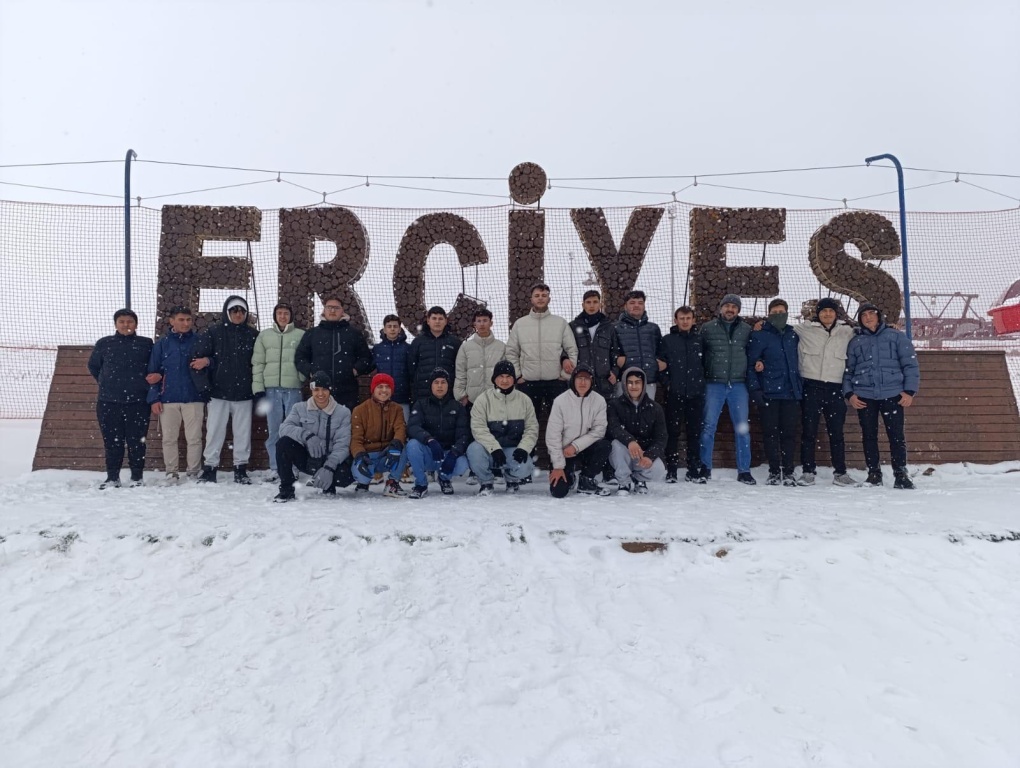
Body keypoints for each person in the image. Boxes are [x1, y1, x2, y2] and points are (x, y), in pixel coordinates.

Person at [843, 303, 920, 489]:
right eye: (864, 315)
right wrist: (850, 394)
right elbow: (848, 370)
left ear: (879, 316)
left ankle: (900, 474)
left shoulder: (896, 337)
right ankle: (874, 473)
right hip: (864, 396)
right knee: (869, 436)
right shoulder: (855, 342)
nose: (868, 317)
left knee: (896, 436)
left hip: (892, 394)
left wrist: (909, 391)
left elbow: (910, 365)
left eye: (872, 313)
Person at [505, 283, 578, 461]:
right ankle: (526, 463)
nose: (540, 298)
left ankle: (559, 463)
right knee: (528, 425)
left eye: (544, 295)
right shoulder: (520, 324)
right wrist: (518, 376)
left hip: (555, 382)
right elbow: (511, 351)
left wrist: (566, 376)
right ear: (531, 298)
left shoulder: (559, 323)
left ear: (549, 298)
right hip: (528, 383)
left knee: (559, 424)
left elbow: (572, 350)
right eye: (537, 295)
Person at [191, 295, 259, 484]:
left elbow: (259, 364)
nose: (238, 314)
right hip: (218, 393)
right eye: (234, 310)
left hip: (244, 393)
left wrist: (257, 388)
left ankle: (240, 468)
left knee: (243, 432)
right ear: (227, 312)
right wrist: (204, 387)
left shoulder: (253, 335)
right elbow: (197, 361)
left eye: (242, 311)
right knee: (214, 431)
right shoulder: (213, 333)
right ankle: (210, 468)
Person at [793, 297, 857, 486]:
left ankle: (840, 473)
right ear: (817, 314)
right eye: (823, 311)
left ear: (836, 314)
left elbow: (870, 331)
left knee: (836, 433)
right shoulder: (804, 330)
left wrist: (892, 327)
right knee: (809, 432)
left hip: (835, 389)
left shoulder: (847, 332)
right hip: (811, 388)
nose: (827, 314)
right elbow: (779, 328)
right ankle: (808, 471)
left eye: (830, 311)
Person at [88, 308, 153, 489]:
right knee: (112, 442)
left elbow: (154, 367)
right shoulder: (104, 343)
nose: (126, 325)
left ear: (136, 324)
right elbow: (94, 366)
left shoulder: (146, 344)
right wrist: (106, 382)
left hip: (138, 403)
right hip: (109, 402)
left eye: (130, 322)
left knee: (137, 442)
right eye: (122, 322)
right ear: (115, 324)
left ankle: (137, 478)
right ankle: (112, 478)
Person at [699, 294, 756, 485]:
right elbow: (700, 353)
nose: (730, 309)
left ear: (738, 310)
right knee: (708, 427)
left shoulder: (746, 330)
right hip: (714, 383)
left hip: (738, 384)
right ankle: (704, 467)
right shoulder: (707, 329)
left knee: (742, 429)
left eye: (734, 306)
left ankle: (744, 470)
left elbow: (754, 352)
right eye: (727, 306)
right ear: (720, 308)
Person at [273, 371, 352, 502]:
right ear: (311, 390)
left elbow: (343, 444)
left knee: (346, 476)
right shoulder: (299, 408)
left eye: (324, 389)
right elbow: (284, 429)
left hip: (330, 461)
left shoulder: (343, 412)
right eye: (316, 390)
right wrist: (306, 436)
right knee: (283, 443)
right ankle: (286, 489)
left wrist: (329, 467)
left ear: (330, 390)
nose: (320, 394)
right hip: (308, 459)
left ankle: (329, 483)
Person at [747, 299, 802, 486]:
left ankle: (788, 471)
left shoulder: (793, 334)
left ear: (787, 313)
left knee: (789, 434)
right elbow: (751, 364)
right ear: (769, 314)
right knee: (770, 434)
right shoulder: (760, 335)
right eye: (775, 311)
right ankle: (773, 471)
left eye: (782, 311)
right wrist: (755, 389)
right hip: (769, 393)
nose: (779, 314)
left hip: (791, 393)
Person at [146, 305, 204, 482]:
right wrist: (154, 398)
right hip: (168, 399)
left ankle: (193, 472)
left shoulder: (199, 341)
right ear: (172, 321)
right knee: (169, 439)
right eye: (181, 319)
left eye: (188, 320)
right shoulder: (162, 344)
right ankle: (171, 472)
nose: (185, 323)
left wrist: (207, 362)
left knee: (194, 438)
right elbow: (152, 374)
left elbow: (211, 364)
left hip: (194, 398)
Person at [466, 360, 539, 495]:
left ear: (514, 379)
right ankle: (486, 482)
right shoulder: (483, 400)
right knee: (474, 451)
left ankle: (512, 480)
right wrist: (494, 448)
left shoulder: (524, 400)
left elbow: (532, 428)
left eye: (508, 377)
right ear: (494, 379)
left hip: (512, 449)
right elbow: (478, 428)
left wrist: (524, 448)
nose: (504, 380)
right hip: (489, 450)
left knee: (526, 465)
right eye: (501, 376)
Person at [252, 302, 305, 482]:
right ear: (275, 316)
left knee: (293, 429)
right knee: (274, 429)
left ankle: (294, 466)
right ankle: (275, 466)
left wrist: (302, 377)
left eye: (286, 313)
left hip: (293, 389)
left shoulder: (300, 335)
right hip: (271, 389)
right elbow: (258, 363)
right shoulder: (264, 336)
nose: (283, 317)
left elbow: (305, 359)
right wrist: (258, 388)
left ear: (291, 316)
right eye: (279, 313)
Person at [294, 297, 374, 411]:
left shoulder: (353, 334)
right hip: (320, 392)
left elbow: (366, 357)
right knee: (320, 426)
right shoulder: (312, 334)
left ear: (342, 311)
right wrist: (311, 372)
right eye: (329, 307)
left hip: (347, 391)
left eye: (336, 308)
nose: (332, 311)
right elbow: (300, 357)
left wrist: (354, 371)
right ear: (324, 310)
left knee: (345, 426)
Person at [656, 306, 706, 483]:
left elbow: (706, 364)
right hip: (674, 394)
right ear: (675, 320)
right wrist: (668, 385)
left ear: (693, 320)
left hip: (696, 394)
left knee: (695, 432)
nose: (685, 321)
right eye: (681, 318)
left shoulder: (700, 340)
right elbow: (660, 366)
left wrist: (701, 384)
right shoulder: (667, 340)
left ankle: (694, 469)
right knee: (672, 432)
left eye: (688, 318)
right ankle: (672, 470)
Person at [546, 364, 612, 497]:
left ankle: (586, 480)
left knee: (604, 446)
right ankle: (569, 474)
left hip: (586, 448)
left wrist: (576, 446)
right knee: (559, 492)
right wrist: (558, 466)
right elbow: (552, 435)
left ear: (592, 381)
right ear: (573, 380)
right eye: (579, 378)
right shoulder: (560, 401)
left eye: (587, 379)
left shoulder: (599, 401)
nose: (583, 382)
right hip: (564, 452)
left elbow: (599, 430)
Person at [405, 368, 471, 498]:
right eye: (436, 382)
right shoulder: (421, 404)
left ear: (448, 385)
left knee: (463, 463)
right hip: (429, 451)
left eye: (443, 382)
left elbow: (463, 434)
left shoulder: (457, 407)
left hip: (447, 454)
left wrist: (454, 453)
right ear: (431, 385)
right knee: (412, 445)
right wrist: (429, 440)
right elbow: (413, 427)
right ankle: (421, 484)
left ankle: (444, 478)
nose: (440, 386)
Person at [607, 367, 668, 493]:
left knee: (659, 469)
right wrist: (630, 441)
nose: (633, 386)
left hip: (643, 454)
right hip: (623, 453)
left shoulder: (655, 408)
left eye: (637, 382)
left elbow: (661, 437)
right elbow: (614, 428)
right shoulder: (614, 405)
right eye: (630, 382)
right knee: (616, 445)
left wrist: (650, 456)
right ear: (624, 384)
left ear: (643, 384)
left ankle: (639, 479)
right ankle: (624, 482)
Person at [349, 372, 409, 497]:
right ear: (373, 389)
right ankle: (363, 484)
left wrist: (396, 444)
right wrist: (359, 455)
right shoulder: (360, 410)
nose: (384, 390)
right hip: (368, 455)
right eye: (380, 386)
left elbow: (400, 429)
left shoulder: (397, 409)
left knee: (404, 448)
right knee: (361, 474)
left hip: (387, 454)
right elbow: (356, 438)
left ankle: (392, 483)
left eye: (387, 387)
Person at [614, 290, 665, 400]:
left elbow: (661, 351)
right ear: (625, 306)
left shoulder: (653, 328)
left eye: (640, 303)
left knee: (647, 415)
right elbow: (610, 353)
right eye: (632, 303)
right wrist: (619, 361)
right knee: (624, 414)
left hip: (648, 380)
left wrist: (658, 363)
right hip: (624, 381)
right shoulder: (615, 328)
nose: (636, 305)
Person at [570, 290, 619, 399]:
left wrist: (615, 372)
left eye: (595, 302)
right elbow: (566, 349)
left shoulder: (609, 328)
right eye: (588, 302)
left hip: (604, 384)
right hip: (580, 383)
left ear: (600, 304)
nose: (592, 305)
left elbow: (615, 352)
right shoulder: (573, 327)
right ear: (583, 305)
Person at [454, 308, 506, 408]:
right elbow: (460, 373)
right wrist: (462, 396)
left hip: (496, 400)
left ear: (491, 323)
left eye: (485, 320)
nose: (482, 324)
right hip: (472, 400)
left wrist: (504, 394)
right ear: (475, 324)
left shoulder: (501, 347)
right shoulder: (466, 347)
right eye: (479, 321)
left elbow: (506, 374)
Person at [409, 306, 461, 404]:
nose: (437, 321)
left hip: (448, 395)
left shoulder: (454, 343)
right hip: (423, 395)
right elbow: (411, 369)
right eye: (434, 318)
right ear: (428, 321)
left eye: (440, 319)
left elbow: (460, 369)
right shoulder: (418, 342)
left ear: (445, 321)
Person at [372, 314, 412, 422]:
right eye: (389, 326)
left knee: (403, 428)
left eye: (395, 326)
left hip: (403, 397)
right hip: (382, 398)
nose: (392, 329)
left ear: (400, 329)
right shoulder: (377, 349)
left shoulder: (408, 349)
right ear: (384, 329)